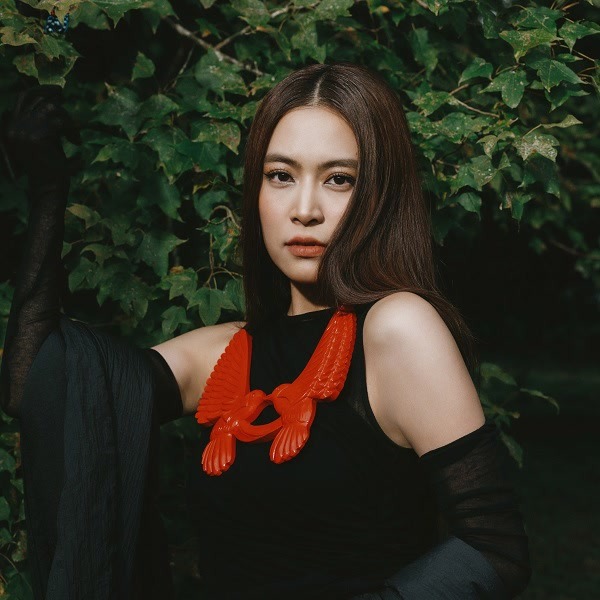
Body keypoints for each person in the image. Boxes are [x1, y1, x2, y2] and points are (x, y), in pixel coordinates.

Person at [0, 62, 531, 599]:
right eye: (281, 176)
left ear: (380, 196)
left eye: (339, 179)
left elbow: (494, 548)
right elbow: (37, 384)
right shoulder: (227, 350)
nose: (305, 210)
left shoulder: (398, 327)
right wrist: (49, 193)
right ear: (256, 191)